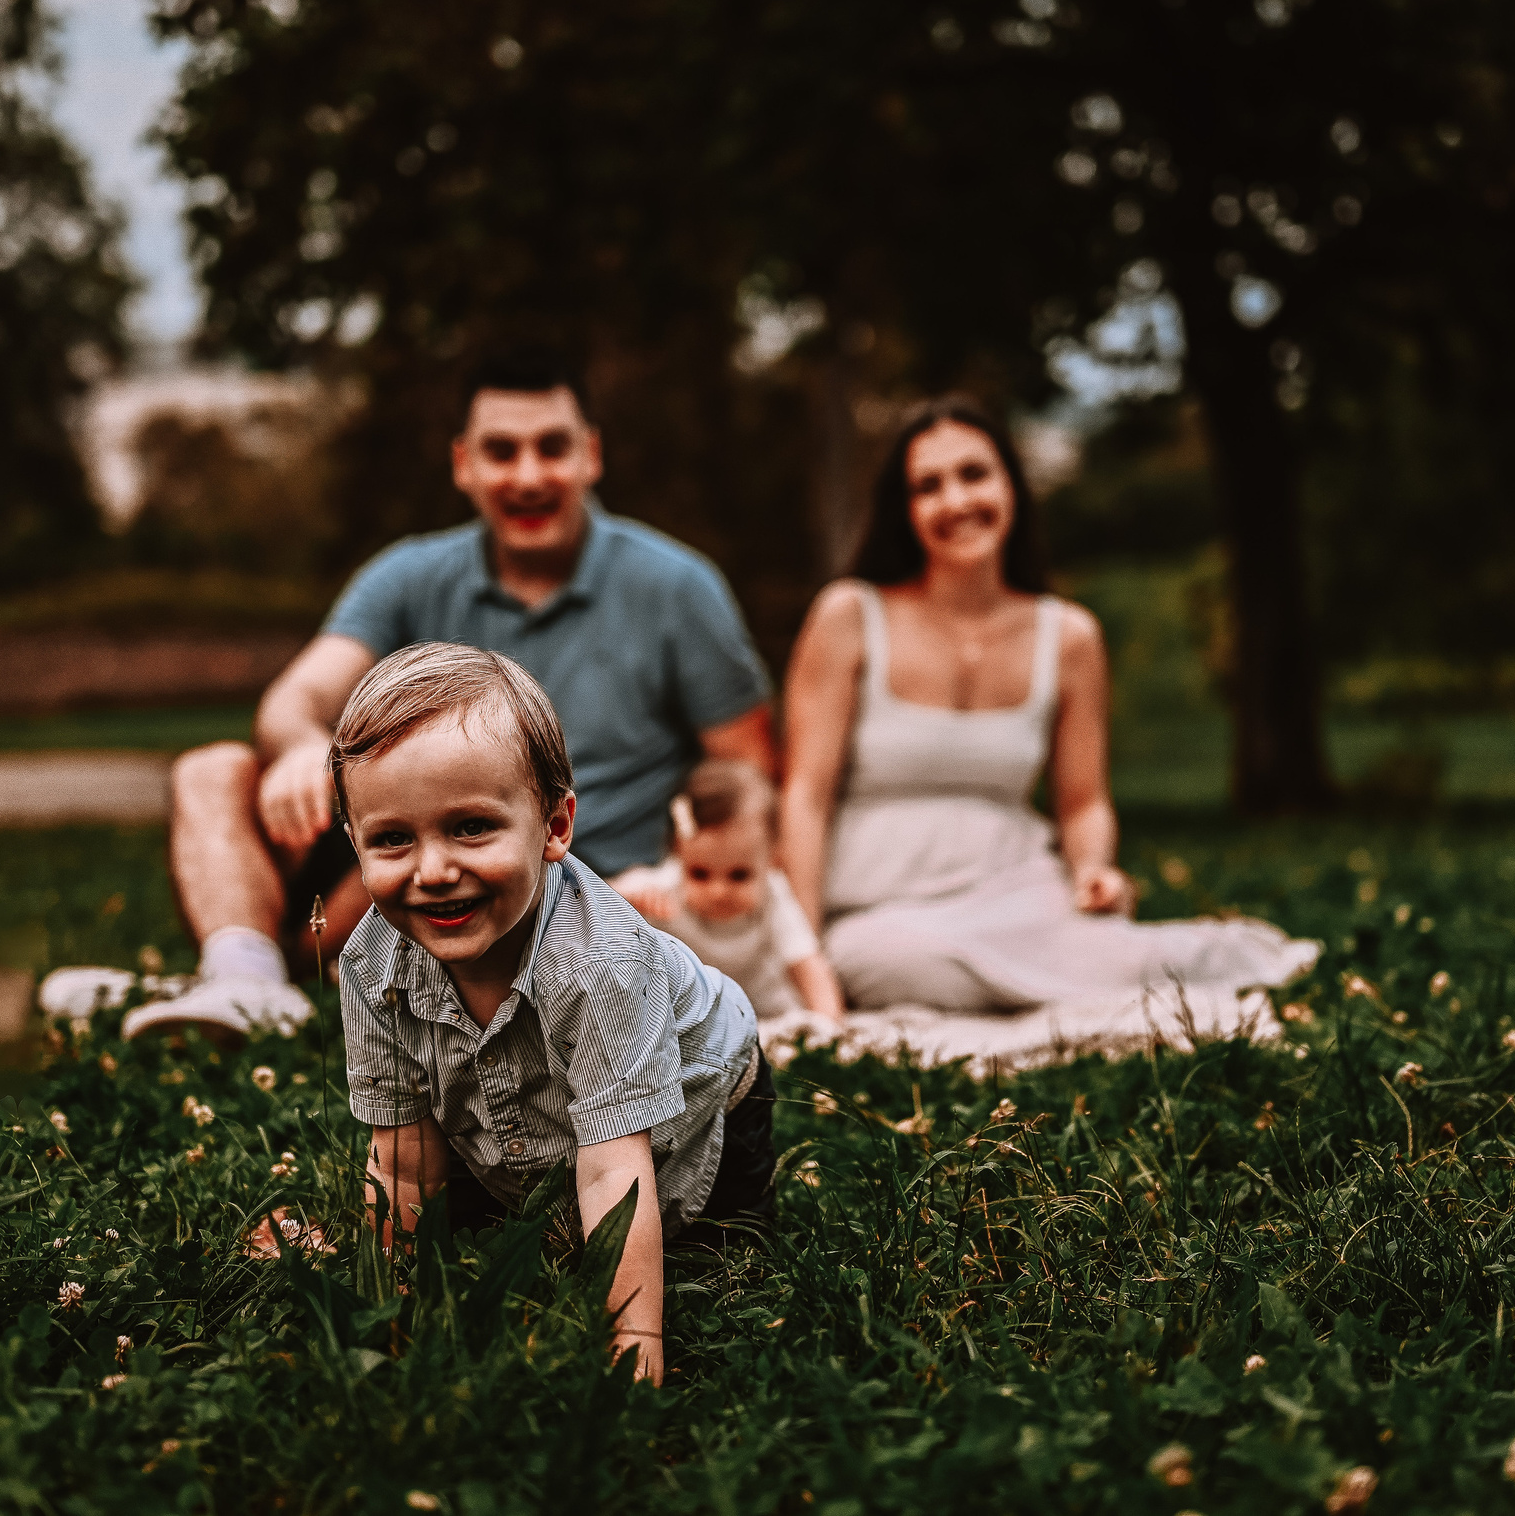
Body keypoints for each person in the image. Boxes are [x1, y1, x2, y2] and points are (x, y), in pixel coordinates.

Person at [46, 350, 776, 1041]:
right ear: (463, 463)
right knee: (212, 769)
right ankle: (245, 979)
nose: (527, 475)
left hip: (569, 891)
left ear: (592, 454)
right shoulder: (409, 575)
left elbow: (749, 774)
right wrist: (306, 745)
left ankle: (227, 981)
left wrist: (707, 897)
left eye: (552, 448)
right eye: (501, 451)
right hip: (411, 877)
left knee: (435, 817)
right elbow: (293, 696)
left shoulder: (678, 589)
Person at [777, 395, 1316, 1011]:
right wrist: (803, 944)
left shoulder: (1070, 637)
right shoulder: (849, 615)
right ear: (906, 511)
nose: (956, 502)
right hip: (880, 908)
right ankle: (1055, 989)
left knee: (1146, 956)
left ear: (1012, 485)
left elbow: (1083, 802)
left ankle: (1064, 976)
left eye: (974, 474)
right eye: (928, 486)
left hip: (1018, 894)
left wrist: (1093, 870)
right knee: (886, 962)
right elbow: (805, 797)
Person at [332, 645, 768, 1387]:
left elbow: (614, 1174)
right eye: (393, 839)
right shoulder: (372, 965)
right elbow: (402, 1154)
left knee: (705, 1258)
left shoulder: (603, 963)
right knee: (492, 1224)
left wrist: (632, 1353)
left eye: (471, 826)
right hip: (521, 1108)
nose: (434, 869)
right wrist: (392, 1309)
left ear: (554, 825)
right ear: (355, 843)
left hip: (706, 1097)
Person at [613, 760, 847, 1022]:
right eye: (699, 873)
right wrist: (626, 893)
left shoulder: (774, 895)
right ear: (677, 852)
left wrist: (831, 1025)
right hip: (691, 1018)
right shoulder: (662, 889)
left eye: (739, 875)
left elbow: (808, 964)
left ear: (773, 858)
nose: (718, 892)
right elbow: (600, 906)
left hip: (765, 1014)